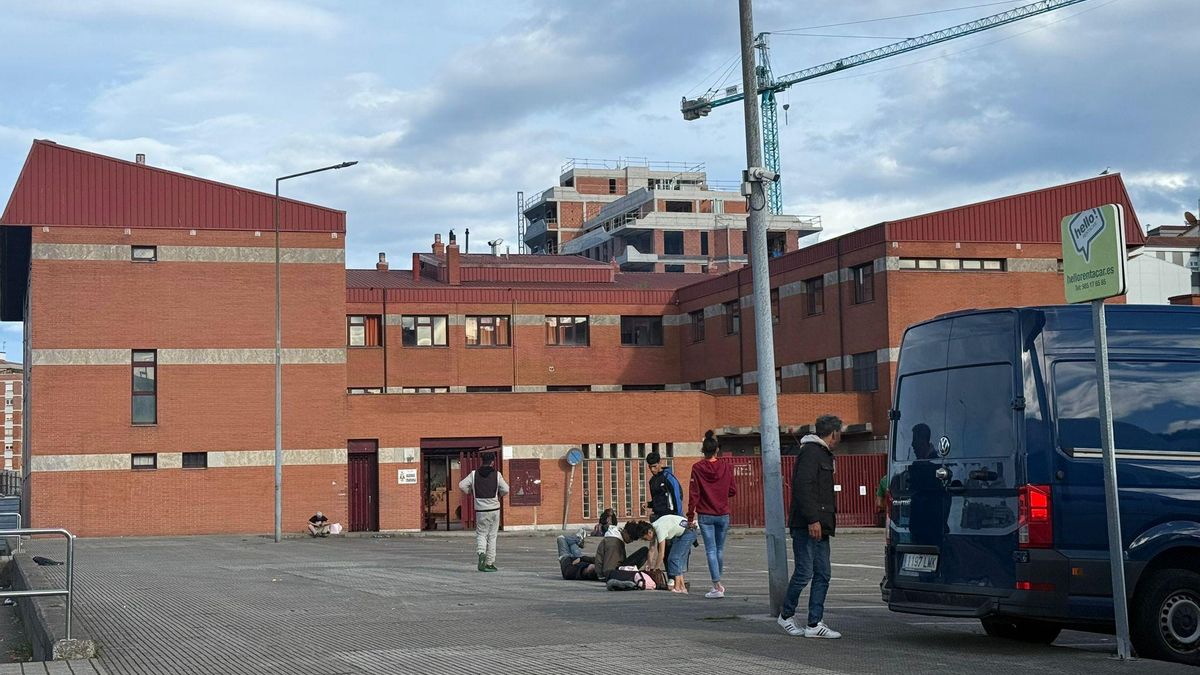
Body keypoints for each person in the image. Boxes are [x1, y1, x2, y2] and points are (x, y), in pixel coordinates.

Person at [778, 415, 843, 639]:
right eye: (839, 433)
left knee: (823, 573)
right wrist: (812, 519)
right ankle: (786, 615)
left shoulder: (822, 453)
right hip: (807, 525)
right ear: (833, 433)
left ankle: (814, 623)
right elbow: (802, 488)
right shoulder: (810, 453)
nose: (840, 437)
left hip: (821, 525)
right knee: (805, 572)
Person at [688, 430, 736, 599]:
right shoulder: (725, 466)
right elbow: (732, 490)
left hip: (705, 514)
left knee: (710, 550)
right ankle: (717, 583)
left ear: (703, 451)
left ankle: (716, 584)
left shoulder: (697, 468)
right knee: (720, 550)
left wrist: (689, 516)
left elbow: (694, 494)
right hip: (723, 512)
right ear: (717, 450)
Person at [458, 452, 509, 573]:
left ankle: (481, 552)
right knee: (492, 536)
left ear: (482, 461)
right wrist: (499, 495)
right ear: (493, 462)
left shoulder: (474, 474)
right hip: (494, 509)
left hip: (480, 510)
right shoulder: (497, 475)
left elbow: (461, 485)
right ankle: (490, 563)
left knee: (481, 534)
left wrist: (470, 491)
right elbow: (506, 489)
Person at [647, 513, 698, 593]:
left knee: (673, 558)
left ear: (649, 532)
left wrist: (655, 569)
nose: (646, 540)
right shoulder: (653, 527)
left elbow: (661, 553)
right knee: (677, 559)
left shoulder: (659, 529)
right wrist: (649, 566)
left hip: (688, 532)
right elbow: (651, 549)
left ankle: (677, 587)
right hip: (684, 532)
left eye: (645, 538)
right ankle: (682, 588)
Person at [645, 452, 683, 520]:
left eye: (654, 466)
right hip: (657, 516)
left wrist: (679, 517)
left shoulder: (668, 477)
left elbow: (678, 496)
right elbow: (658, 499)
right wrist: (649, 504)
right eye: (650, 467)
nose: (652, 469)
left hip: (670, 516)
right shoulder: (652, 481)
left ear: (660, 463)